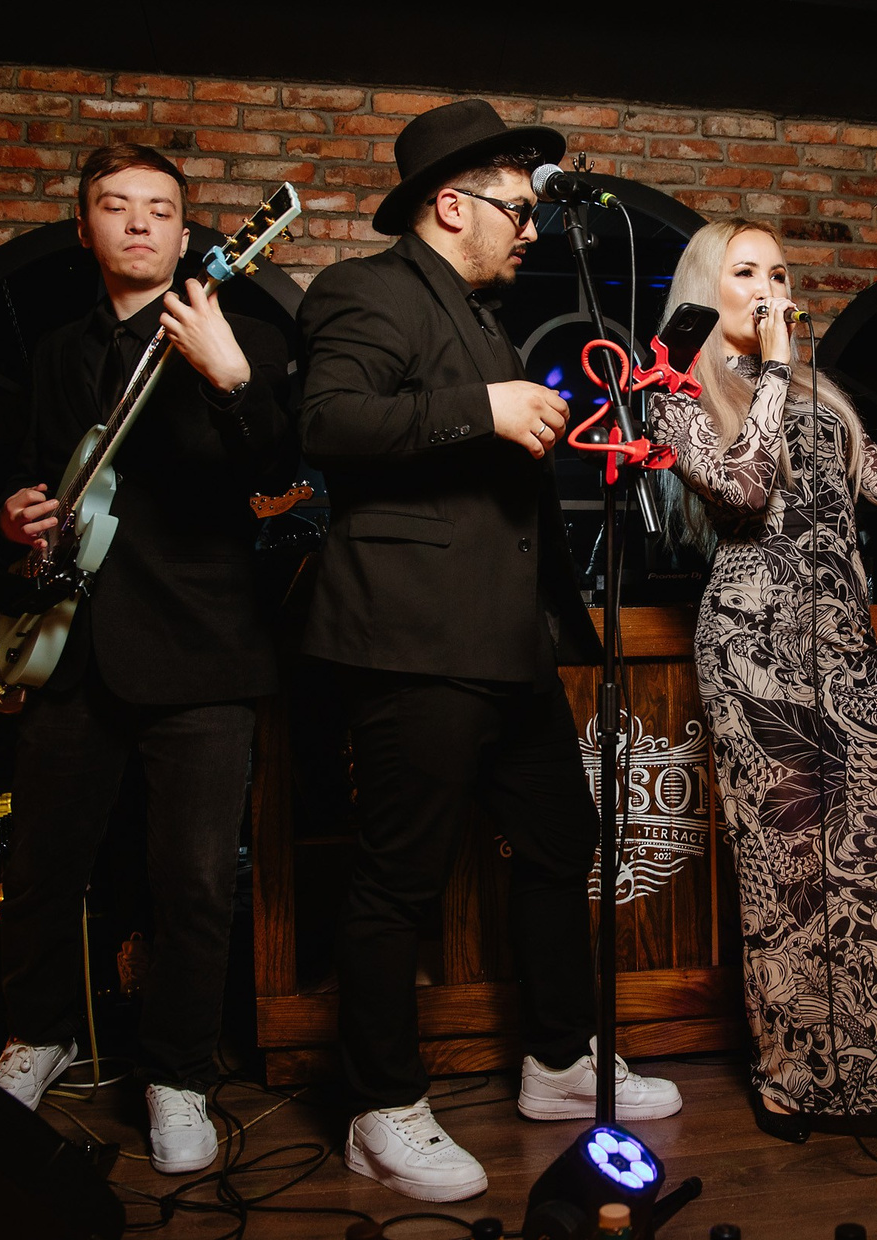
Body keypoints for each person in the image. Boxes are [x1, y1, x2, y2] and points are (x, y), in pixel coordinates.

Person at [295, 99, 681, 1204]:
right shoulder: (365, 289)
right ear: (450, 205)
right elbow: (327, 422)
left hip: (507, 642)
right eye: (517, 209)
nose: (533, 229)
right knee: (398, 878)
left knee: (562, 837)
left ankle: (558, 1061)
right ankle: (379, 1108)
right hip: (412, 636)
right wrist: (485, 406)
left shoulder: (477, 317)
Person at [648, 218, 877, 1140]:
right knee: (790, 872)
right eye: (746, 272)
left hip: (846, 646)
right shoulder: (674, 391)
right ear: (706, 287)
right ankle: (791, 1076)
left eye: (779, 272)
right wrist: (772, 370)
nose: (769, 288)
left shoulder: (816, 393)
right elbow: (743, 487)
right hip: (753, 647)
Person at [0, 143, 295, 1172]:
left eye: (159, 209)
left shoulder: (238, 335)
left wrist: (231, 378)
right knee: (41, 864)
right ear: (85, 229)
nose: (137, 223)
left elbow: (279, 467)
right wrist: (16, 515)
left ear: (185, 231)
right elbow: (34, 476)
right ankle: (40, 1034)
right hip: (72, 647)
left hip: (203, 650)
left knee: (194, 880)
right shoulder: (55, 354)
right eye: (114, 206)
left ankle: (176, 1075)